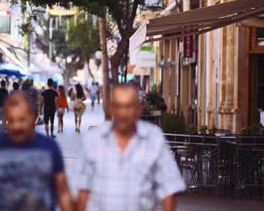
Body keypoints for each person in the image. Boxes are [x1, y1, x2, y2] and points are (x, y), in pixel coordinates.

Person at [76, 83, 185, 211]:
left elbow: (169, 190)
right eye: (119, 106)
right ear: (111, 109)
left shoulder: (153, 138)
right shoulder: (93, 139)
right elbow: (82, 190)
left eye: (129, 106)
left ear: (138, 109)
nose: (123, 113)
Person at [0, 92, 73, 211]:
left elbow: (63, 193)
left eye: (22, 119)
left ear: (34, 117)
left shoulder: (49, 148)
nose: (17, 126)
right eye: (11, 120)